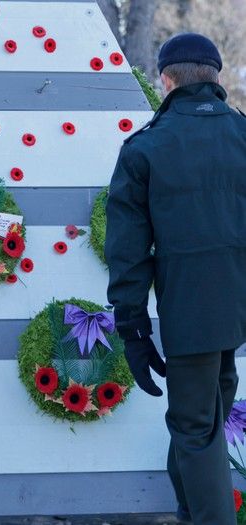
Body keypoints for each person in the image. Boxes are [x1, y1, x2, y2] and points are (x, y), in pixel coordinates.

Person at [105, 32, 246, 525]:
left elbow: (126, 249)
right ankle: (192, 513)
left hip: (189, 309)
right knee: (204, 413)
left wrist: (132, 326)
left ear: (166, 81)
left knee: (193, 424)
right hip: (235, 309)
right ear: (215, 78)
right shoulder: (242, 133)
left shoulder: (146, 145)